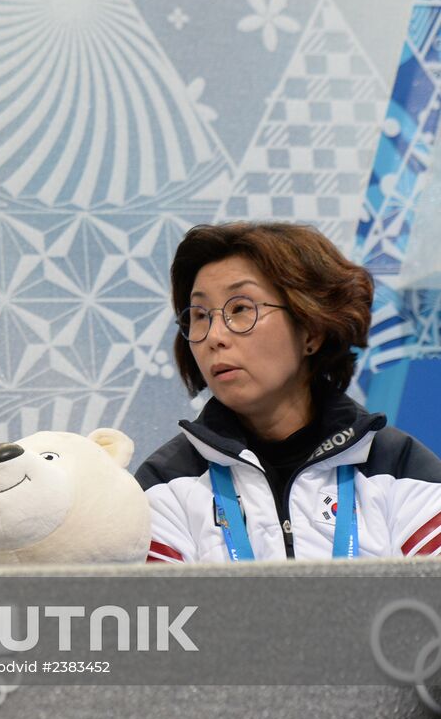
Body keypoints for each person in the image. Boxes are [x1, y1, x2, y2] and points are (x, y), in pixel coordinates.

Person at [136, 222, 441, 563]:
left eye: (240, 309)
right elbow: (165, 615)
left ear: (311, 329)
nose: (214, 336)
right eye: (200, 315)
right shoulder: (165, 485)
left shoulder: (400, 471)